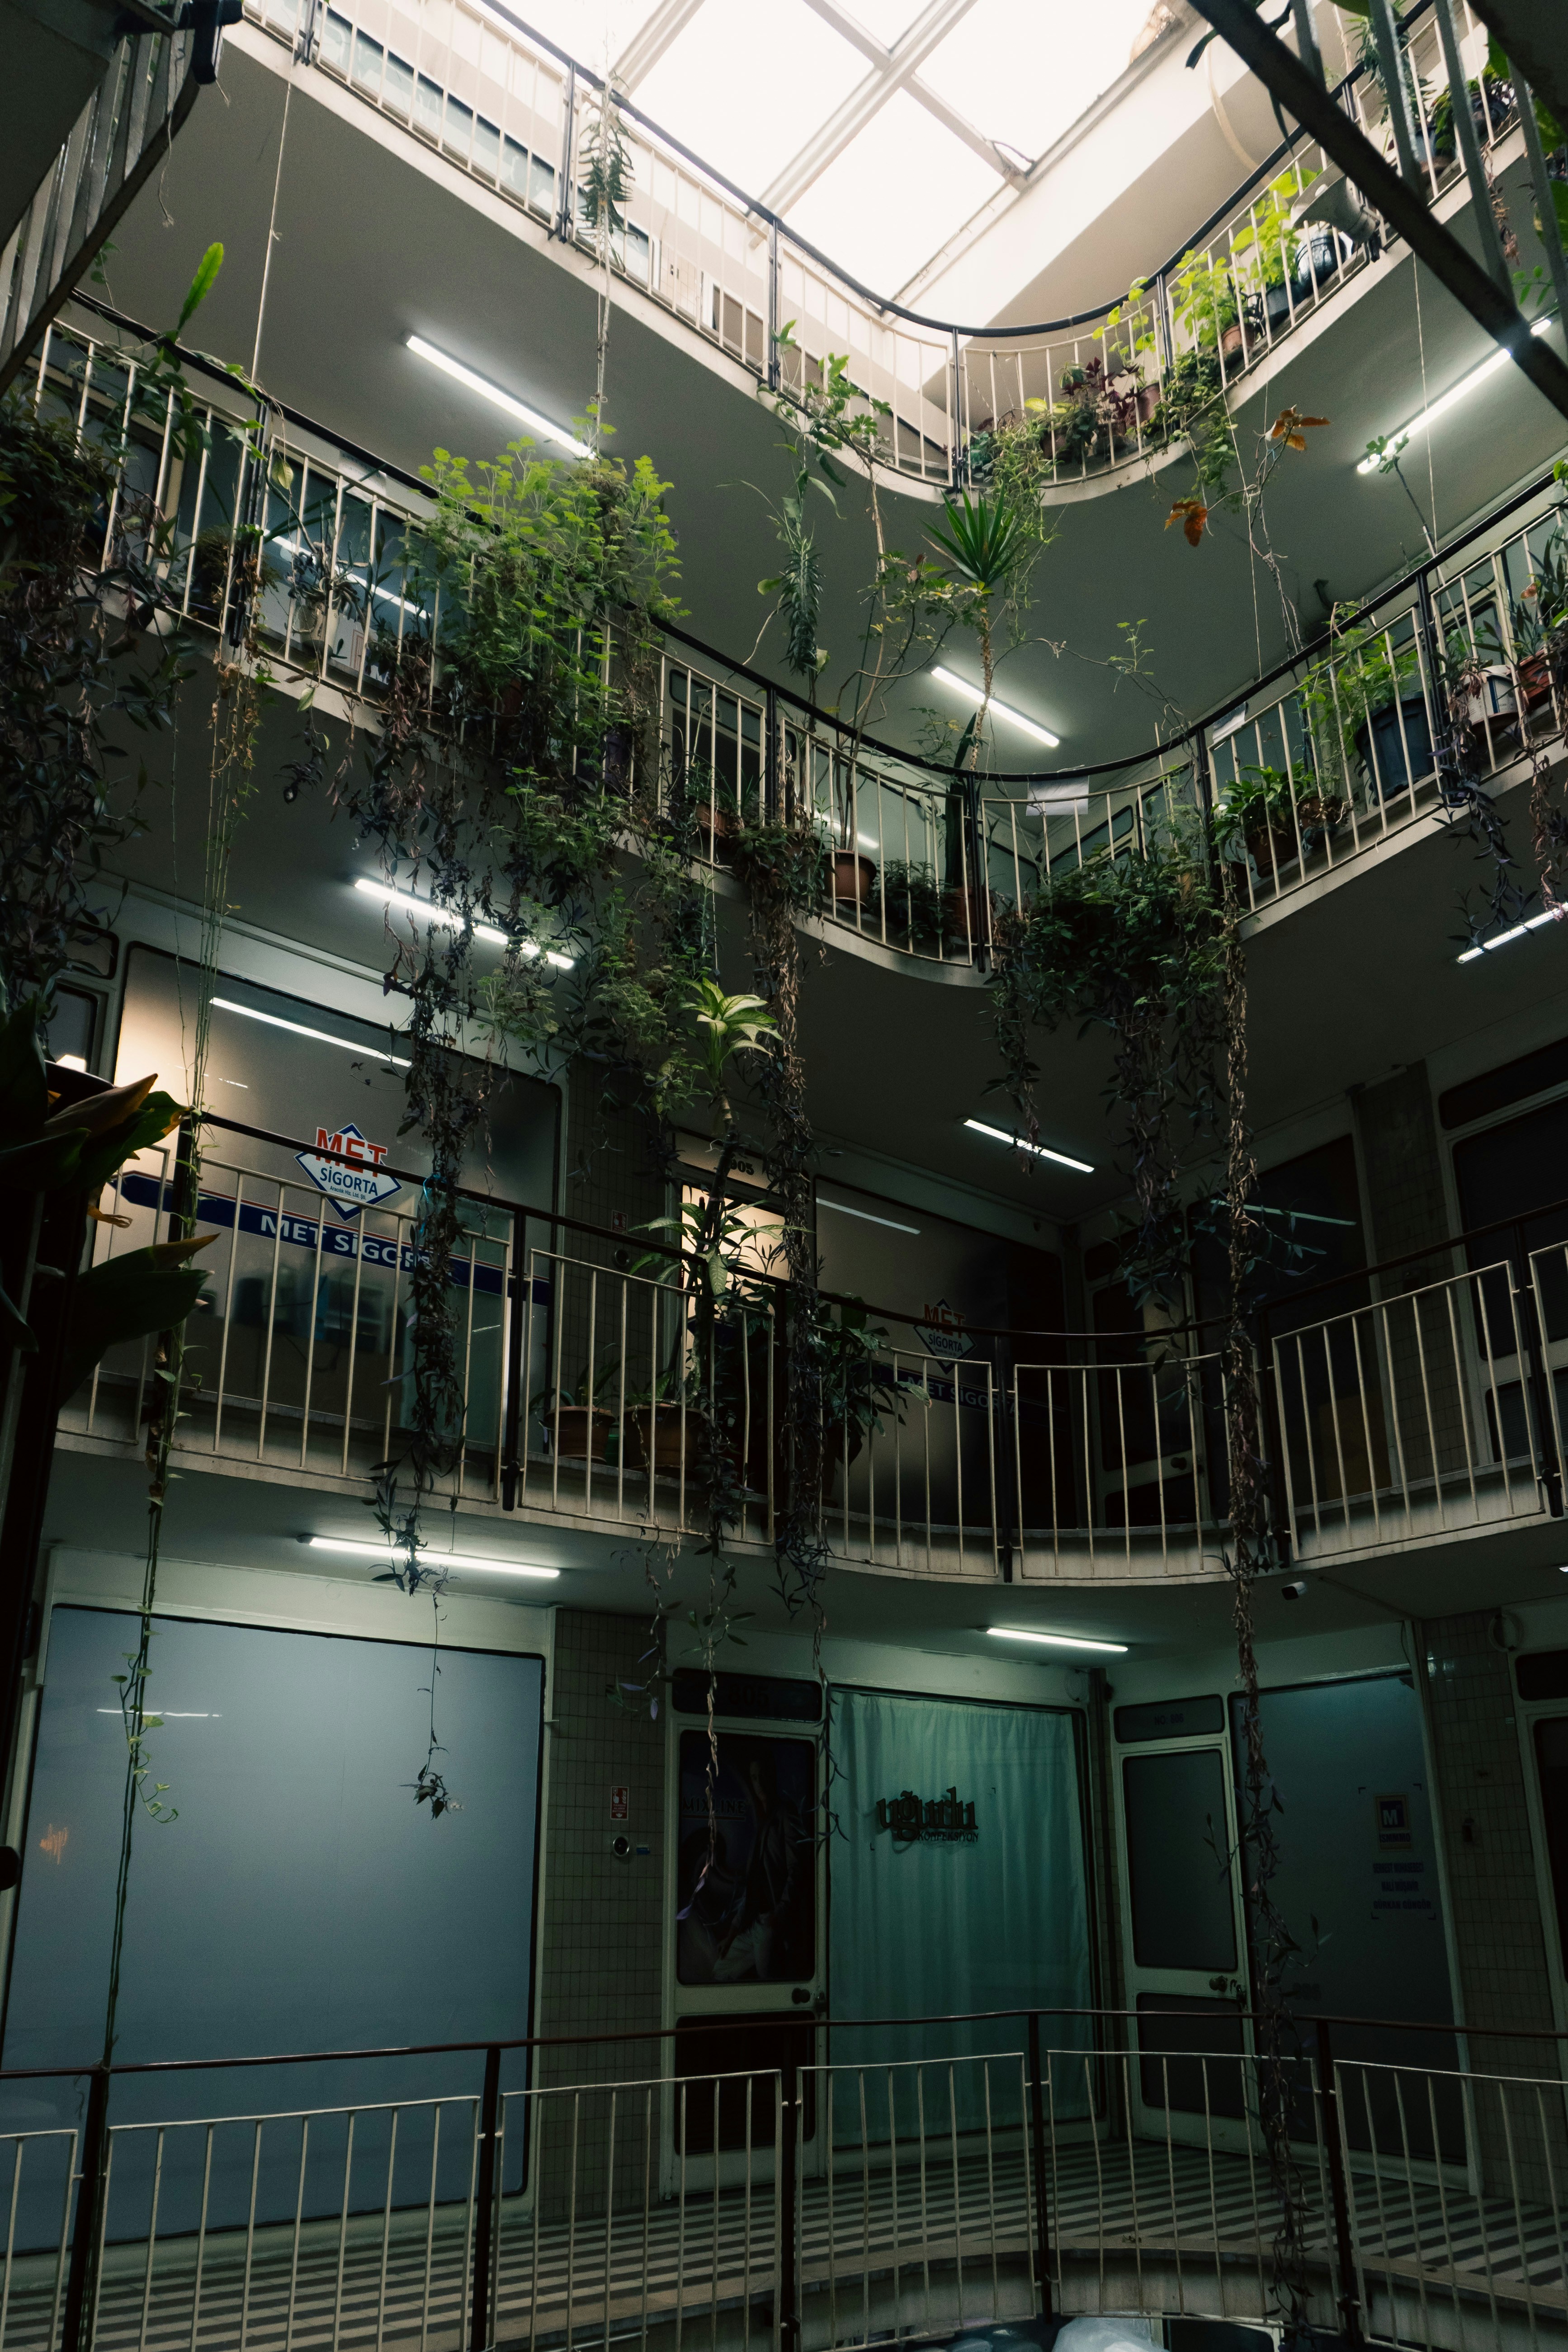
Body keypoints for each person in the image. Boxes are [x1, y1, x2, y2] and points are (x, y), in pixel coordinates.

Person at [711, 1741, 808, 1983]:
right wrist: (733, 1934)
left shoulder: (785, 1813)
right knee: (720, 1971)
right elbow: (752, 1886)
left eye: (762, 1776)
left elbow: (797, 1870)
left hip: (770, 1923)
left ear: (771, 1777)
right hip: (755, 1923)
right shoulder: (761, 1823)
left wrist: (779, 1914)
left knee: (769, 1984)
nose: (759, 1784)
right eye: (754, 1778)